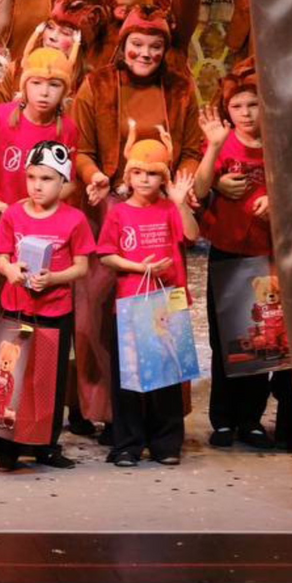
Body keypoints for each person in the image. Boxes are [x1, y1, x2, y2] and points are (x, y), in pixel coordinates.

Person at [71, 6, 205, 437]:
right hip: (109, 209)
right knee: (103, 315)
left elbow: (192, 148)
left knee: (161, 313)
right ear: (123, 45)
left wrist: (180, 187)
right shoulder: (97, 84)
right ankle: (115, 416)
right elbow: (81, 147)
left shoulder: (180, 88)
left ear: (165, 49)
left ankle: (162, 420)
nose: (145, 53)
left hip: (161, 210)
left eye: (155, 46)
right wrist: (94, 177)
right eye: (137, 44)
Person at [194, 60, 292, 452]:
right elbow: (200, 189)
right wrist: (215, 152)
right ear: (227, 110)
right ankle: (223, 419)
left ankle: (251, 419)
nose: (246, 113)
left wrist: (276, 200)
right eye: (237, 106)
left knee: (261, 338)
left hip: (268, 251)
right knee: (226, 337)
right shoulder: (223, 142)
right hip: (229, 250)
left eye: (252, 104)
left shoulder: (278, 142)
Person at [0, 140, 94, 471]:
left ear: (63, 182)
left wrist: (54, 278)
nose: (37, 185)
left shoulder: (74, 219)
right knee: (12, 375)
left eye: (46, 179)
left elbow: (82, 267)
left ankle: (46, 444)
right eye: (32, 177)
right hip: (16, 308)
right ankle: (7, 445)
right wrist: (10, 270)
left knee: (49, 381)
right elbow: (1, 256)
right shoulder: (14, 214)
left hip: (54, 311)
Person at [95, 138, 200, 467]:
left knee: (167, 375)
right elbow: (106, 255)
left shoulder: (170, 209)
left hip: (167, 301)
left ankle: (166, 442)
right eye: (138, 172)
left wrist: (181, 204)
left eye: (152, 173)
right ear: (128, 177)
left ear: (163, 178)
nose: (144, 179)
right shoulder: (118, 213)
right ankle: (128, 443)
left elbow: (192, 235)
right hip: (130, 302)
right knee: (129, 378)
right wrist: (138, 267)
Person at [0, 45, 81, 211]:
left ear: (65, 91)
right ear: (25, 86)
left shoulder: (68, 129)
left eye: (54, 85)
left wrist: (33, 204)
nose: (44, 92)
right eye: (36, 83)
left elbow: (70, 183)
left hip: (38, 217)